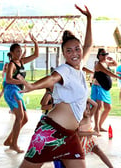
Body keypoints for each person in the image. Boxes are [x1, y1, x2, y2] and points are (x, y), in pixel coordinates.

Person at [17, 5, 92, 168]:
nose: (74, 53)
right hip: (50, 132)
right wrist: (33, 86)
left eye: (77, 49)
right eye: (69, 51)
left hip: (70, 135)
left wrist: (89, 19)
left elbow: (88, 45)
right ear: (64, 54)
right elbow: (52, 79)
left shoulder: (79, 67)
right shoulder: (65, 70)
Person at [3, 33, 39, 153]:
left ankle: (9, 140)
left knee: (25, 119)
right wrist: (21, 81)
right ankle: (14, 144)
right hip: (11, 90)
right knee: (20, 117)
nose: (19, 53)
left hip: (18, 91)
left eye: (20, 51)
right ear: (12, 53)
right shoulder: (11, 65)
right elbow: (8, 79)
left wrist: (35, 42)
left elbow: (36, 55)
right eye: (17, 51)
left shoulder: (22, 61)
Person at [91, 48, 121, 133]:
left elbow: (116, 64)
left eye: (106, 54)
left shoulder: (105, 63)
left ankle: (100, 125)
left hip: (105, 88)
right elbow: (108, 72)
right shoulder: (98, 64)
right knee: (98, 107)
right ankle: (96, 127)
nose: (105, 56)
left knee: (108, 107)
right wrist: (117, 77)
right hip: (98, 87)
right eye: (103, 54)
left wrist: (112, 59)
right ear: (98, 56)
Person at [78, 98, 113, 168]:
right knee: (80, 160)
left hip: (90, 141)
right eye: (86, 110)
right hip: (81, 143)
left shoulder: (89, 116)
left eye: (88, 109)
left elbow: (95, 105)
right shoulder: (78, 120)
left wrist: (85, 97)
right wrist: (91, 133)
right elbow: (78, 133)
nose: (88, 112)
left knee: (99, 151)